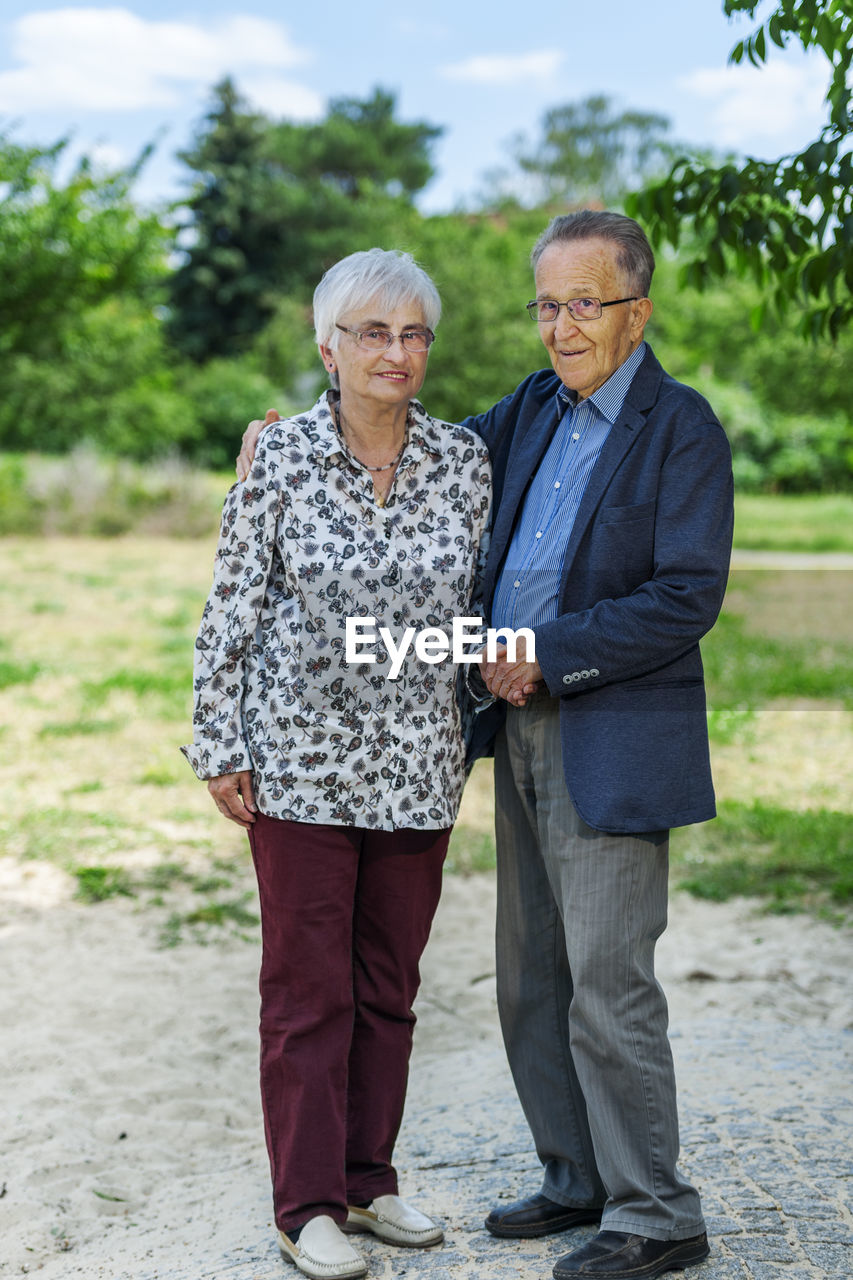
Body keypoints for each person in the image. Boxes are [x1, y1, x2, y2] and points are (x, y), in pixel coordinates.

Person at [237, 211, 734, 1280]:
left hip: (610, 724)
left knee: (608, 980)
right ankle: (573, 1174)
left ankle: (654, 1208)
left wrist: (547, 651)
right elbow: (409, 434)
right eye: (546, 304)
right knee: (530, 978)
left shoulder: (681, 428)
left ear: (635, 310)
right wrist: (297, 444)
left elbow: (687, 596)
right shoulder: (528, 412)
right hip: (509, 727)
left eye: (584, 303)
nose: (561, 325)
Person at [184, 248, 491, 1280]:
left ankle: (368, 1177)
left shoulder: (463, 461)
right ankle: (305, 1203)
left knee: (388, 986)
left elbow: (471, 618)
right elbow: (231, 607)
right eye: (371, 332)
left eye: (411, 333)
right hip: (299, 769)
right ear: (328, 346)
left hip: (416, 765)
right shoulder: (276, 457)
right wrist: (220, 741)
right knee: (306, 988)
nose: (394, 351)